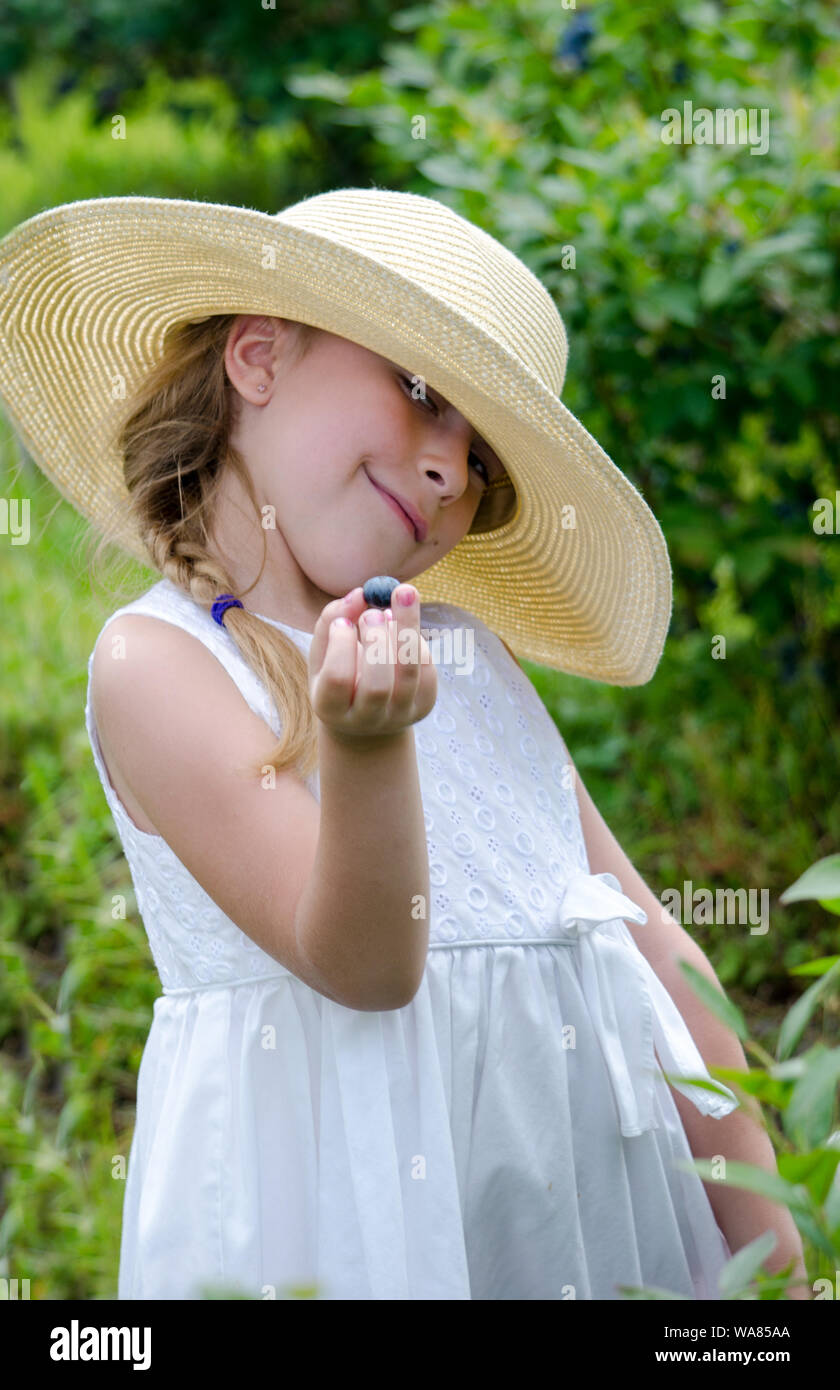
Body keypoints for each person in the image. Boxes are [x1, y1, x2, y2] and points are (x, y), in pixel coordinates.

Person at [0, 187, 808, 1300]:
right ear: (258, 355)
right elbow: (367, 965)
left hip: (587, 1238)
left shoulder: (470, 657)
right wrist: (369, 752)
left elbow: (656, 947)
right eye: (423, 394)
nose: (449, 471)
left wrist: (772, 1235)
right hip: (358, 1237)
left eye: (483, 461)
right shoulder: (162, 666)